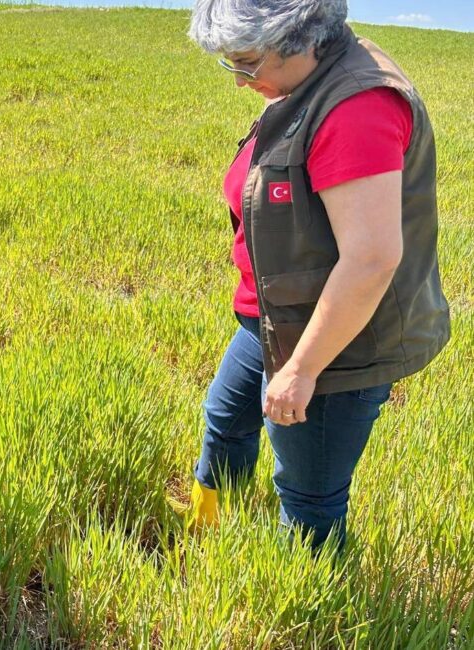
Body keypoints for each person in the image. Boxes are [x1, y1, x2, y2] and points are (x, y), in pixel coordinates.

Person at [181, 0, 450, 552]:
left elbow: (371, 259)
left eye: (248, 61)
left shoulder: (357, 108)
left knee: (308, 493)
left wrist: (301, 372)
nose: (239, 81)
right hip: (276, 318)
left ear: (300, 39)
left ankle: (301, 598)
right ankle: (211, 528)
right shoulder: (305, 82)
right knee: (225, 419)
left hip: (335, 343)